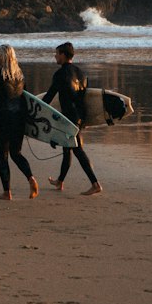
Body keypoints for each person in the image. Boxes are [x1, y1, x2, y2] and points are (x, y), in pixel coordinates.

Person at [42, 42, 102, 195]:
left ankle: (95, 184)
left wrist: (35, 110)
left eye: (57, 54)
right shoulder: (81, 74)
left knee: (77, 150)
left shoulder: (60, 74)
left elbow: (49, 97)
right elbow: (84, 99)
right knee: (67, 149)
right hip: (79, 117)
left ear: (63, 55)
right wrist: (85, 120)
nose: (55, 56)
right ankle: (60, 182)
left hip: (68, 118)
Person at [0, 45, 39, 201]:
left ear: (2, 57)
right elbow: (26, 100)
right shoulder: (20, 76)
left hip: (3, 121)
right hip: (18, 120)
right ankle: (31, 178)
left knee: (3, 156)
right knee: (16, 153)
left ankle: (7, 193)